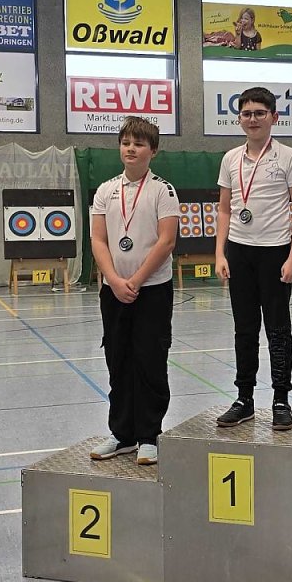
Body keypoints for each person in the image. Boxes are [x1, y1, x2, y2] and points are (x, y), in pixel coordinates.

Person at [215, 86, 292, 430]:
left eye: (259, 113)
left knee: (278, 329)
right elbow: (224, 210)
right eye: (246, 113)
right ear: (239, 118)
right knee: (244, 328)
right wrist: (220, 253)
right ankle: (244, 399)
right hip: (239, 252)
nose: (252, 119)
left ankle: (281, 399)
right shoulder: (230, 159)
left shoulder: (289, 157)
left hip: (276, 252)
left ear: (274, 117)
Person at [89, 116, 179, 466]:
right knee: (119, 361)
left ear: (152, 151)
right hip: (114, 292)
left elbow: (166, 241)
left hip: (151, 291)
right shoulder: (105, 190)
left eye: (139, 144)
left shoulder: (163, 190)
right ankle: (122, 434)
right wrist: (113, 279)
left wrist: (137, 280)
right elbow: (98, 239)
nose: (131, 149)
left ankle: (149, 435)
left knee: (150, 361)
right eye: (126, 143)